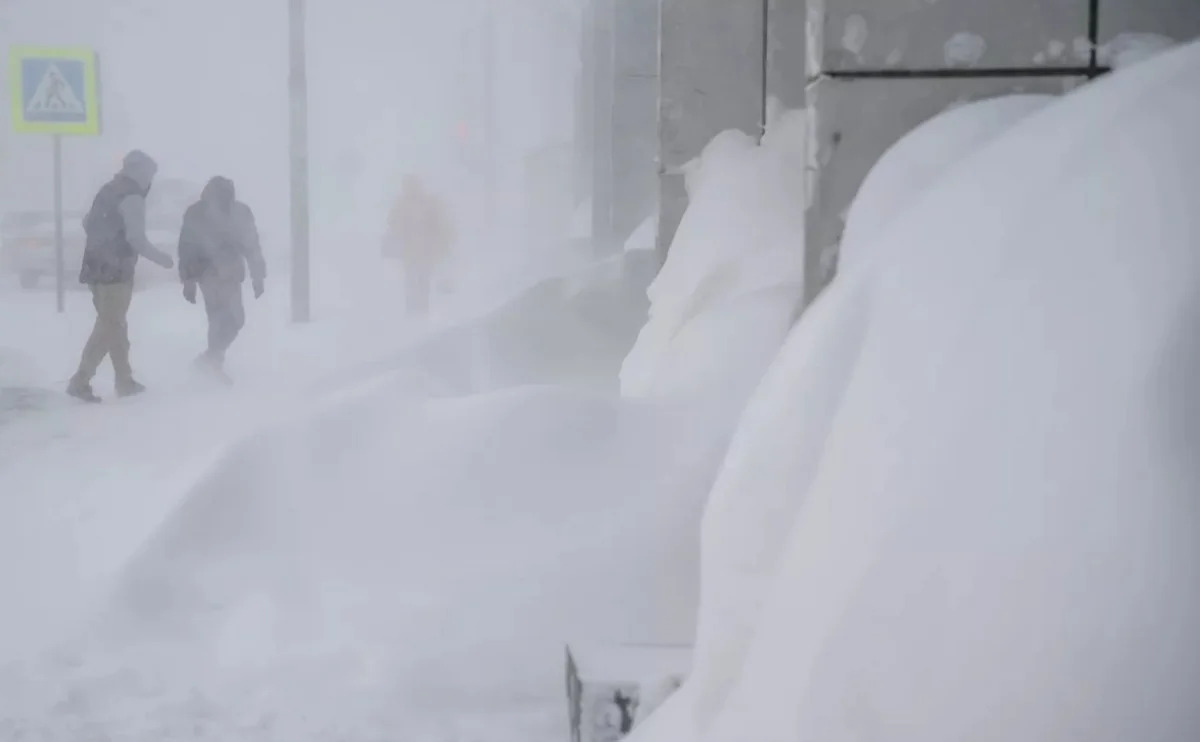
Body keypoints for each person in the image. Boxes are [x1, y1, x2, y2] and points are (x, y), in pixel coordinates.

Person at [67, 150, 175, 403]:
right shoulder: (132, 197)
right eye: (150, 174)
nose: (151, 180)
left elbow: (87, 222)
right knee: (109, 326)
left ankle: (124, 380)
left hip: (94, 267)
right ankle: (80, 381)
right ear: (142, 173)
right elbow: (135, 238)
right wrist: (162, 259)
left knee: (114, 325)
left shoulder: (107, 190)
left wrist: (101, 242)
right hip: (116, 271)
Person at [177, 176, 265, 382]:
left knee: (236, 320)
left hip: (232, 273)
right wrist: (188, 281)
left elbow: (252, 245)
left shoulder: (241, 212)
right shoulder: (196, 213)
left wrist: (258, 275)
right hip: (208, 274)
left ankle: (210, 359)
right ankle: (213, 365)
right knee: (218, 318)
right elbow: (186, 248)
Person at [382, 174, 454, 317]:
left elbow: (440, 225)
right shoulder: (404, 204)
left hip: (423, 251)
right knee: (413, 280)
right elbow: (392, 223)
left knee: (421, 280)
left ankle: (420, 311)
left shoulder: (425, 203)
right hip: (413, 251)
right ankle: (414, 311)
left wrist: (442, 243)